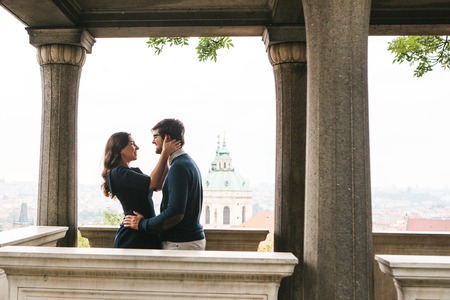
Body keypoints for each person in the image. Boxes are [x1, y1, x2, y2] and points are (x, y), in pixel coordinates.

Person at [124, 118, 206, 250]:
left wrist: (143, 224)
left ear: (166, 137)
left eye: (155, 136)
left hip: (181, 243)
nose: (152, 141)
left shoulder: (179, 167)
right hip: (186, 241)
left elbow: (175, 213)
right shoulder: (184, 163)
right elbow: (157, 186)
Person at [101, 131, 180, 249]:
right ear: (120, 149)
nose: (137, 147)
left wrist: (166, 155)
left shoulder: (132, 171)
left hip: (144, 230)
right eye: (132, 144)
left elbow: (158, 185)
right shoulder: (117, 173)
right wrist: (164, 153)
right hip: (132, 237)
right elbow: (152, 182)